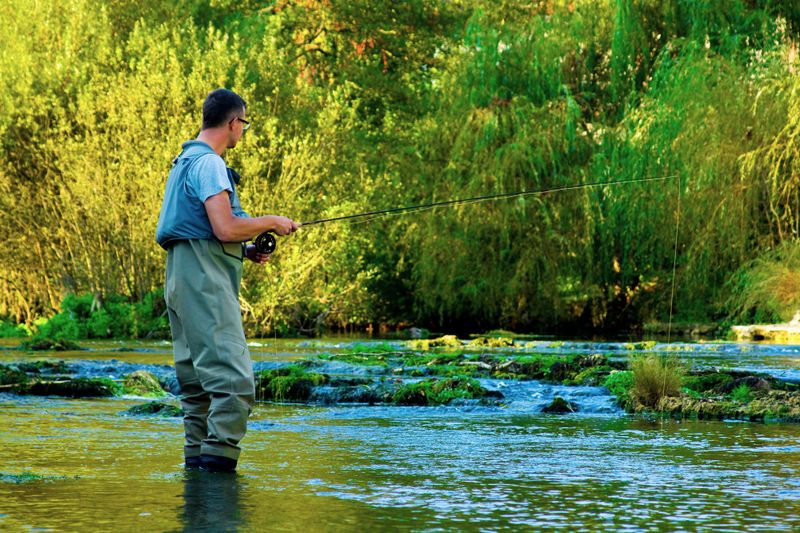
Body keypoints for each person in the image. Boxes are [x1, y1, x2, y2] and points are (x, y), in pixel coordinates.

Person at [155, 88, 298, 473]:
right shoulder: (211, 164)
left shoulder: (184, 159)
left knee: (198, 389)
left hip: (180, 276)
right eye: (244, 124)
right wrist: (272, 221)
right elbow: (224, 226)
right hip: (203, 280)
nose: (242, 132)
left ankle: (198, 487)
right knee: (235, 385)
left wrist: (247, 251)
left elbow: (204, 230)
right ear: (234, 122)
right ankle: (217, 483)